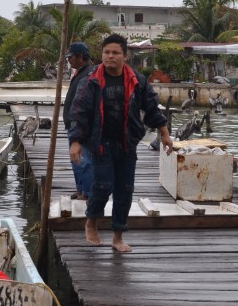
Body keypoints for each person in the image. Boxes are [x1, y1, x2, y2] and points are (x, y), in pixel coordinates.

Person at [68, 34, 174, 253]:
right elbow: (80, 112)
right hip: (100, 143)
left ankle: (117, 236)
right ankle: (92, 223)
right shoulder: (91, 80)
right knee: (102, 186)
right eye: (107, 52)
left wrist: (164, 134)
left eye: (115, 53)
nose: (110, 57)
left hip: (127, 143)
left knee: (125, 190)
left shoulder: (137, 80)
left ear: (125, 56)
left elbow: (152, 107)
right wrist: (76, 141)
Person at [62, 41, 95, 200]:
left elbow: (84, 104)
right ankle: (81, 189)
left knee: (84, 160)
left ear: (81, 57)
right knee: (76, 159)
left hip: (82, 126)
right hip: (73, 125)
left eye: (71, 57)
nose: (69, 60)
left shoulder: (89, 74)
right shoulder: (80, 72)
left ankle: (87, 192)